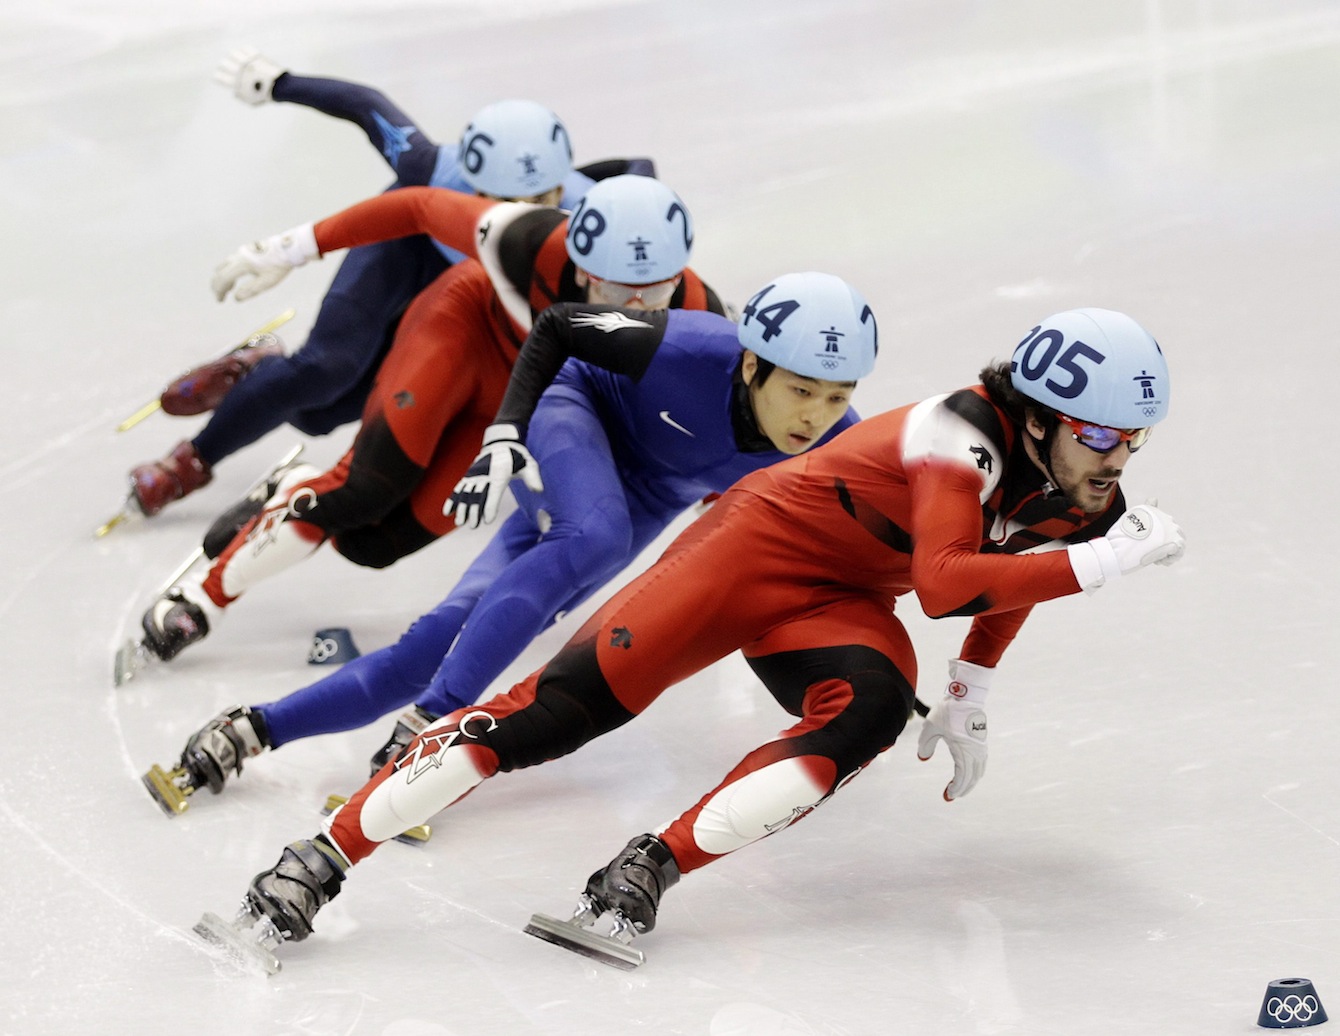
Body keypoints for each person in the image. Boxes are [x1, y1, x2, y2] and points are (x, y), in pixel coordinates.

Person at [197, 307, 1187, 965]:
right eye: (1100, 434)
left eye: (1131, 441)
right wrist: (1100, 567)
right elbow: (941, 583)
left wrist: (970, 690)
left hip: (832, 599)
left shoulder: (1080, 493)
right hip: (746, 550)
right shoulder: (954, 437)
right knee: (541, 719)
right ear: (1036, 413)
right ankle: (314, 859)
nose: (1116, 459)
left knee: (872, 709)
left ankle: (643, 869)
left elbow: (1013, 559)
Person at [143, 271, 878, 814]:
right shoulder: (684, 344)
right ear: (752, 364)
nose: (815, 417)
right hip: (575, 416)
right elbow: (559, 327)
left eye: (837, 397)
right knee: (594, 537)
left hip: (641, 498)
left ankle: (251, 729)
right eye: (801, 391)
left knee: (440, 639)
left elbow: (862, 548)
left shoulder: (839, 446)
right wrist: (502, 435)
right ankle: (431, 726)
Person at [135, 174, 724, 664]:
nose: (639, 310)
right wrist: (291, 248)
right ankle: (201, 597)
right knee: (366, 488)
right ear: (582, 268)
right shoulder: (522, 239)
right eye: (619, 291)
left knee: (375, 544)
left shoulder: (699, 311)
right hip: (460, 329)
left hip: (515, 402)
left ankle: (291, 493)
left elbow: (732, 412)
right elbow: (418, 205)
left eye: (659, 289)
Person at [127, 50, 655, 518]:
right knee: (326, 367)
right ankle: (189, 463)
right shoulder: (428, 167)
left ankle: (256, 370)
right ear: (469, 183)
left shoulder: (593, 219)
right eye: (493, 200)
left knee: (322, 414)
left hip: (457, 284)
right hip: (404, 244)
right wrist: (279, 83)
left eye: (538, 201)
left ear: (562, 186)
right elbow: (366, 103)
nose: (514, 219)